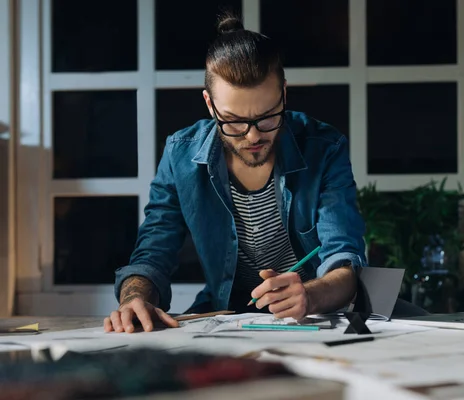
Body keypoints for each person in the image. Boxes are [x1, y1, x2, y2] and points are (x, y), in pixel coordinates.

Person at [104, 14, 367, 334]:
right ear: (210, 105)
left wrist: (308, 295)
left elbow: (345, 261)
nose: (253, 136)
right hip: (222, 312)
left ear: (284, 95)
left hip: (310, 318)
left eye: (268, 118)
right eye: (234, 121)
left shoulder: (324, 148)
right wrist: (135, 298)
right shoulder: (180, 154)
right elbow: (153, 252)